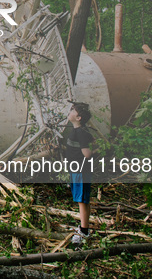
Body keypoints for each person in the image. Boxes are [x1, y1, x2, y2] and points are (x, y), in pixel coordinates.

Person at [65, 102, 95, 246]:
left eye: (73, 110)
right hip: (77, 170)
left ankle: (84, 231)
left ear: (79, 117)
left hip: (80, 171)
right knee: (83, 199)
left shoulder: (81, 133)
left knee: (81, 200)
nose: (70, 112)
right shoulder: (81, 130)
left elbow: (87, 153)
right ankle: (84, 227)